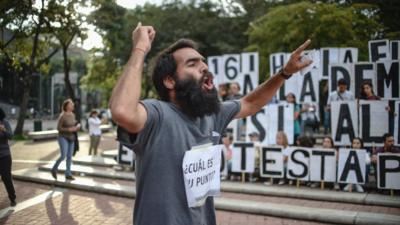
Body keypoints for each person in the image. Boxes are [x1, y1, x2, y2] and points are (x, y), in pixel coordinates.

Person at [110, 23, 312, 225]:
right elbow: (122, 110)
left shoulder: (212, 114)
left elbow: (251, 103)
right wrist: (140, 48)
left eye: (203, 62)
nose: (204, 67)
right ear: (170, 81)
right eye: (192, 64)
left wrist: (284, 73)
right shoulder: (157, 115)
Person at [51, 99, 81, 180]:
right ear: (67, 106)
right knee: (63, 155)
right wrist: (68, 130)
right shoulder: (62, 116)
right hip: (63, 137)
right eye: (71, 104)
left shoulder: (73, 115)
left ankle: (68, 173)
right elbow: (58, 128)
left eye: (72, 105)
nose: (72, 106)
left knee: (69, 157)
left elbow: (74, 123)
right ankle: (54, 169)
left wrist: (77, 126)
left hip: (72, 138)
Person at [0, 107, 16, 206]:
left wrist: (3, 130)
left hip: (4, 155)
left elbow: (11, 136)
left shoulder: (4, 122)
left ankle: (12, 197)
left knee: (6, 177)